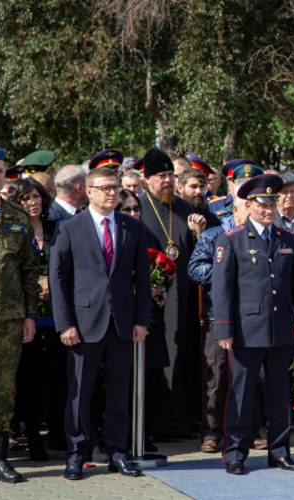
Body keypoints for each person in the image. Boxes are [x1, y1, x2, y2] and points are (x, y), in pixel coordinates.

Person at [50, 168, 151, 480]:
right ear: (88, 191)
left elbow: (143, 281)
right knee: (80, 391)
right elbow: (58, 278)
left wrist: (141, 321)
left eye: (115, 188)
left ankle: (117, 451)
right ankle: (77, 453)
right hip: (83, 323)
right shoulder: (70, 228)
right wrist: (65, 323)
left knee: (119, 391)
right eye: (105, 188)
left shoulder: (132, 227)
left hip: (121, 322)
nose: (112, 193)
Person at [212, 174, 294, 475]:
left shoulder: (287, 239)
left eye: (273, 202)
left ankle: (279, 451)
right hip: (246, 330)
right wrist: (224, 328)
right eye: (263, 204)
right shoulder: (232, 239)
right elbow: (222, 288)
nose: (269, 209)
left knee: (280, 394)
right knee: (242, 394)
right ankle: (235, 452)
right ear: (248, 205)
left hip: (280, 327)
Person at [188, 166, 267, 455]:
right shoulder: (213, 235)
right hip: (217, 318)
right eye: (247, 207)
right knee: (217, 378)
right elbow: (194, 269)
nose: (253, 212)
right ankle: (211, 433)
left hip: (251, 319)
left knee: (251, 379)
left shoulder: (262, 237)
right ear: (235, 209)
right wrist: (225, 273)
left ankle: (251, 432)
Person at [0, 148, 40, 485]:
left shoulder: (17, 217)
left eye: (0, 171)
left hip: (9, 318)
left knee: (4, 392)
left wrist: (30, 315)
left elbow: (29, 271)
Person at [139, 148, 206, 437]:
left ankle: (182, 420)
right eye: (161, 176)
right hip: (153, 301)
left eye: (170, 175)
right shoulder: (138, 209)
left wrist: (200, 234)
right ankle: (153, 424)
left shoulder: (186, 209)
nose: (167, 181)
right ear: (147, 179)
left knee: (185, 356)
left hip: (186, 298)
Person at [9, 178, 63, 462]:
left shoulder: (58, 228)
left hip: (56, 316)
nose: (32, 202)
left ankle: (58, 433)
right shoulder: (13, 230)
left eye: (36, 196)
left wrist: (52, 285)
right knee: (27, 381)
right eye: (25, 198)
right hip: (24, 315)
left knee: (56, 376)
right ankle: (31, 437)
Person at [116, 189, 169, 451]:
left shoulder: (146, 234)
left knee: (151, 378)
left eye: (136, 208)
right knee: (124, 381)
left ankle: (144, 434)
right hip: (123, 317)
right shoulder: (114, 235)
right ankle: (123, 437)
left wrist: (159, 289)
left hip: (150, 318)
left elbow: (163, 272)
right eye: (127, 209)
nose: (134, 213)